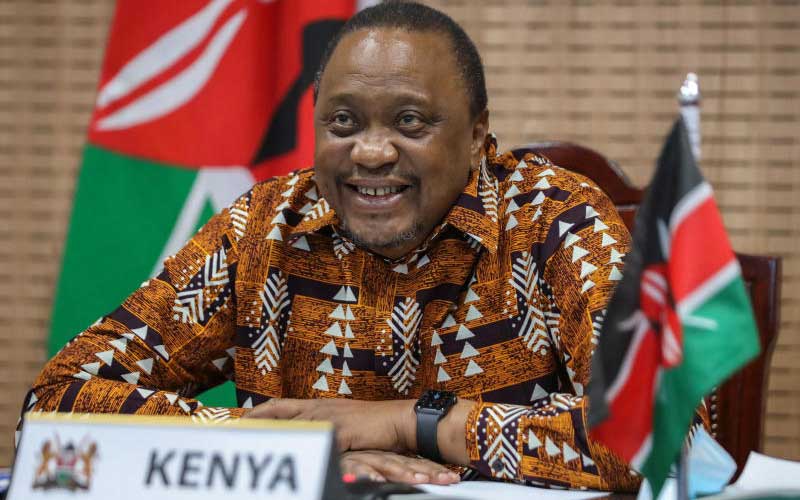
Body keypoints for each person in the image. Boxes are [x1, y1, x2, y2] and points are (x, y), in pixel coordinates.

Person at [20, 1, 638, 492]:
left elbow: (650, 434)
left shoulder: (557, 221)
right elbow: (53, 408)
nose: (370, 152)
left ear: (478, 134)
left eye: (410, 121)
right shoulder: (262, 231)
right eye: (343, 122)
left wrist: (411, 423)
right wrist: (291, 450)